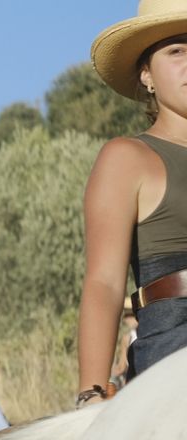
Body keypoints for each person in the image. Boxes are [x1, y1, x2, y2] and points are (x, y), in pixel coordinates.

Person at [80, 1, 187, 404]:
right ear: (147, 75)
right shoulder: (127, 158)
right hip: (176, 348)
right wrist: (90, 392)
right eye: (176, 51)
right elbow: (105, 282)